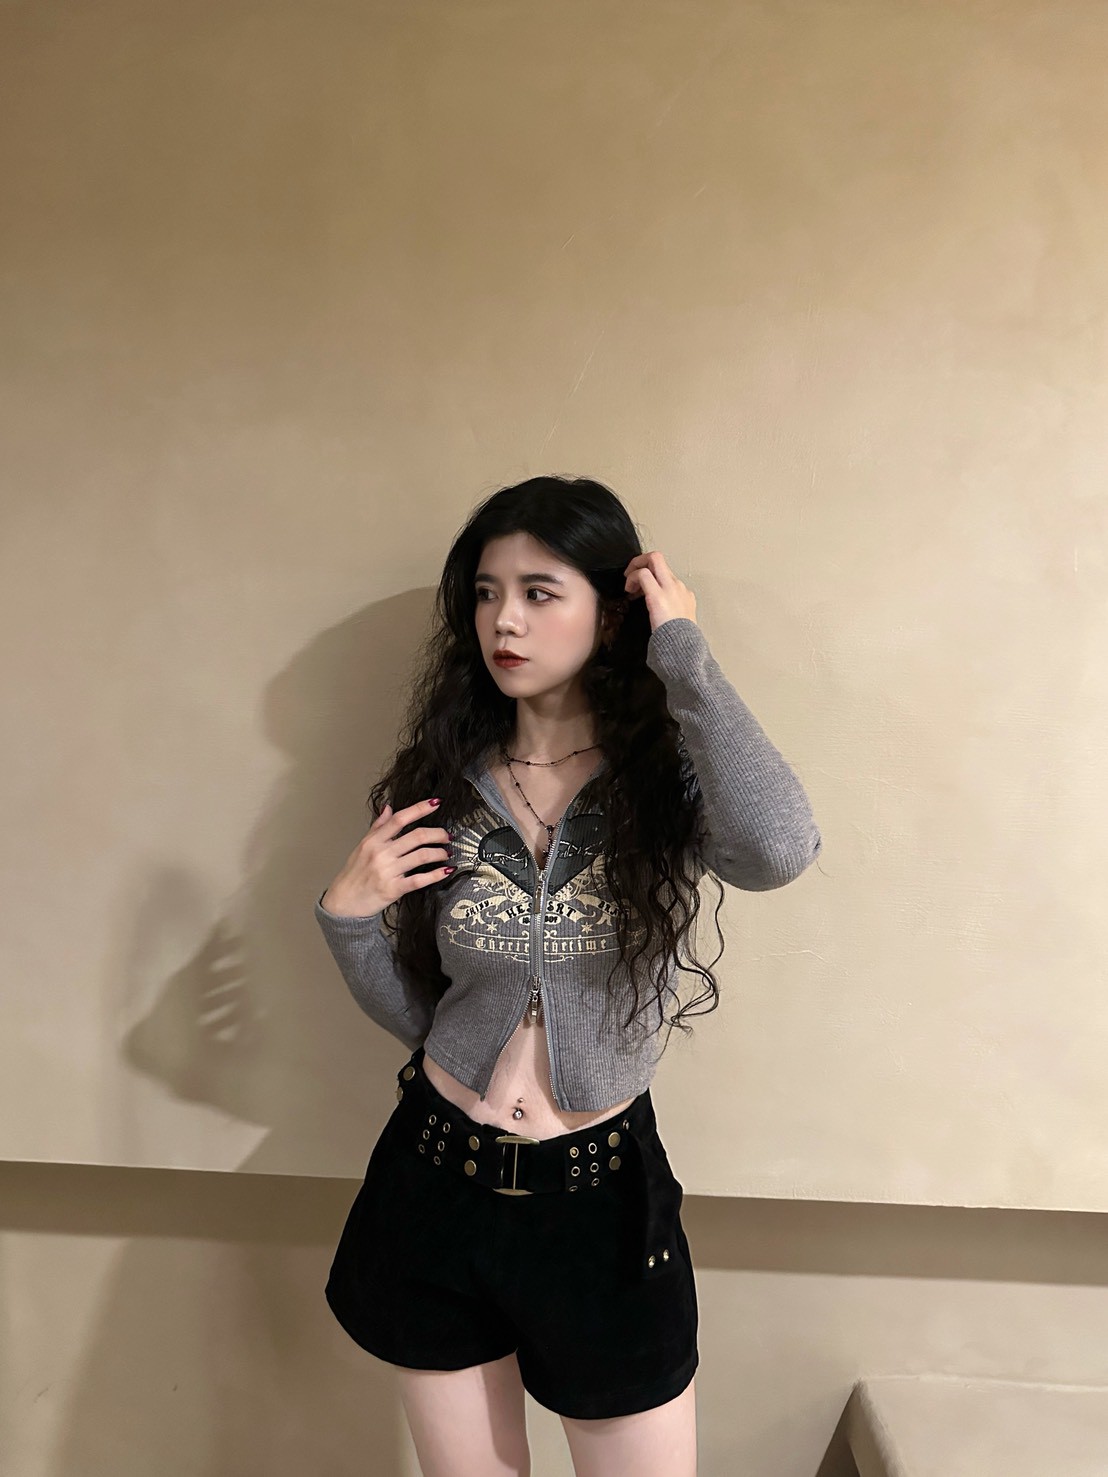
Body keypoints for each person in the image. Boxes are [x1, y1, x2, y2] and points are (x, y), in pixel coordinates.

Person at [314, 475, 822, 1477]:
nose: (504, 619)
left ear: (611, 609)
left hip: (599, 1203)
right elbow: (429, 1019)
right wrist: (348, 922)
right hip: (434, 1183)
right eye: (486, 592)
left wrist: (684, 652)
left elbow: (778, 848)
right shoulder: (444, 783)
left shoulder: (664, 784)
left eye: (539, 592)